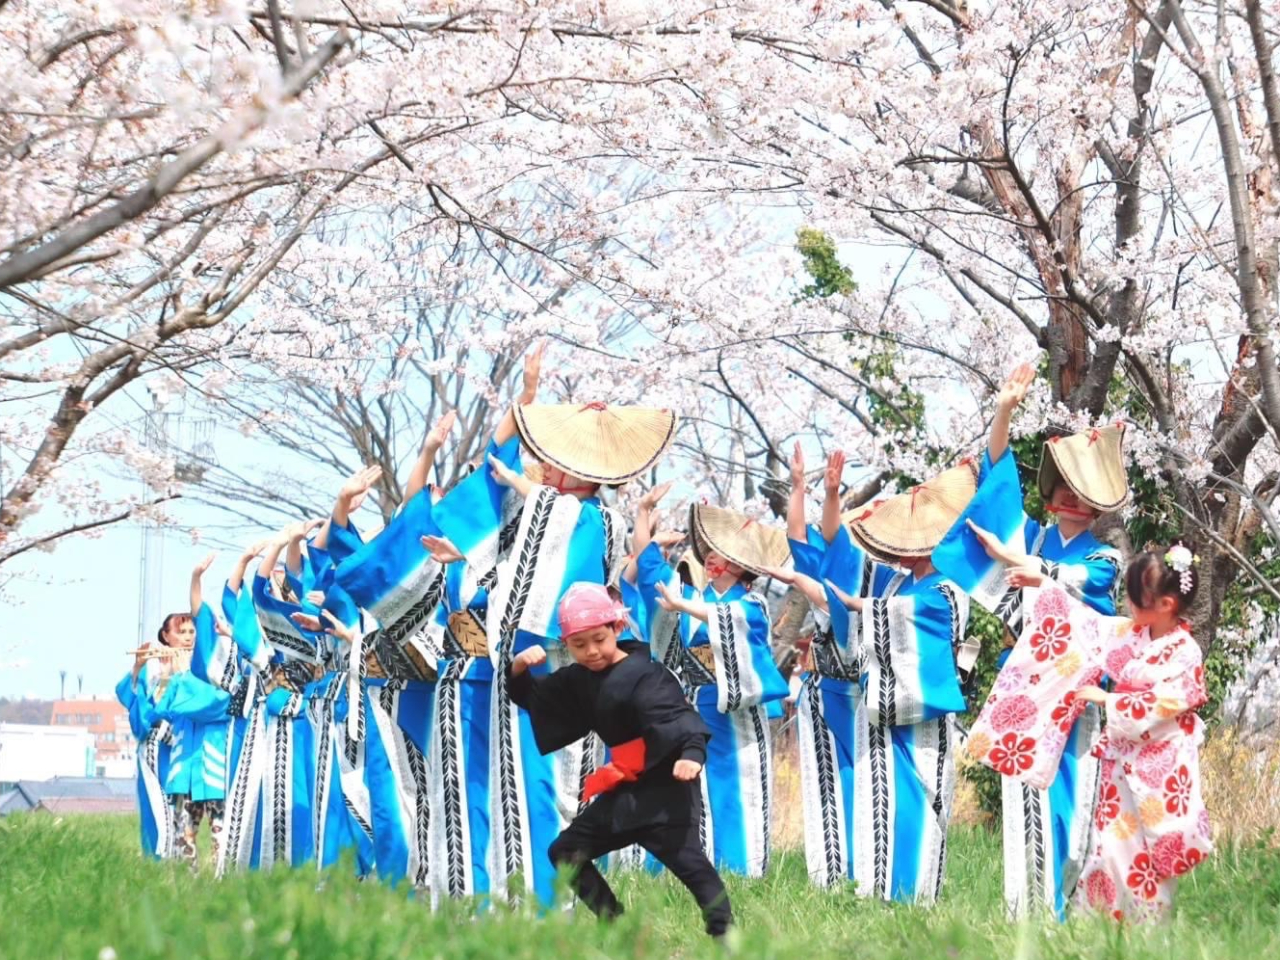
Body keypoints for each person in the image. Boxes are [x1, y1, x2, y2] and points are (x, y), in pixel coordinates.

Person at [933, 362, 1127, 918]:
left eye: (1079, 494)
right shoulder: (1038, 536)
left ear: (1094, 507)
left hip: (1078, 690)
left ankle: (1072, 908)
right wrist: (1004, 412)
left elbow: (1069, 583)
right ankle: (1027, 909)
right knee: (1023, 793)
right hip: (1029, 684)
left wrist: (1019, 561)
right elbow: (995, 482)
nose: (1068, 499)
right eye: (1062, 488)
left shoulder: (1104, 556)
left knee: (1073, 793)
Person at [779, 459, 974, 903]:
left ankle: (915, 896)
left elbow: (912, 620)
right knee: (883, 804)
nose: (900, 549)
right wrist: (827, 495)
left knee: (917, 805)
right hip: (883, 713)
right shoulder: (894, 582)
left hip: (920, 714)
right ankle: (882, 894)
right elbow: (837, 557)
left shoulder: (946, 588)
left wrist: (859, 606)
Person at [507, 582, 731, 938]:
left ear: (618, 628)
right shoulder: (578, 678)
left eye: (599, 639)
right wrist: (519, 667)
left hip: (666, 789)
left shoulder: (647, 674)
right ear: (566, 644)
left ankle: (726, 936)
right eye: (579, 645)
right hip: (626, 793)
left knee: (692, 866)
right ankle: (615, 923)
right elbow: (536, 699)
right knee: (565, 851)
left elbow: (680, 719)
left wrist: (692, 755)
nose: (591, 651)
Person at [632, 495, 790, 878]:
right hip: (693, 705)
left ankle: (739, 870)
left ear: (738, 566)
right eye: (712, 554)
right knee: (677, 788)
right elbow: (651, 571)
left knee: (733, 790)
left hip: (733, 710)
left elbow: (730, 618)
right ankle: (674, 869)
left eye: (721, 556)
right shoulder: (693, 597)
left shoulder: (753, 604)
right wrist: (645, 521)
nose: (712, 561)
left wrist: (683, 608)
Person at [1073, 545, 1213, 922]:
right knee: (1107, 845)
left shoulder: (1186, 652)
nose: (1130, 608)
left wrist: (1108, 700)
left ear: (1166, 604)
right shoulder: (1134, 634)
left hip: (1162, 767)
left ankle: (1147, 932)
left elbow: (1166, 703)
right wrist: (1041, 581)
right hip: (1121, 759)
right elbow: (1088, 626)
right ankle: (1097, 925)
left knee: (1150, 852)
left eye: (1138, 601)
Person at [116, 613, 190, 859]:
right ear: (166, 636)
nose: (187, 638)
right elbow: (150, 706)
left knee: (184, 813)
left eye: (191, 632)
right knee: (158, 807)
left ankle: (181, 864)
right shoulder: (156, 667)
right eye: (181, 632)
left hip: (186, 744)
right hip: (158, 747)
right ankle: (158, 861)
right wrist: (143, 667)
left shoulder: (199, 663)